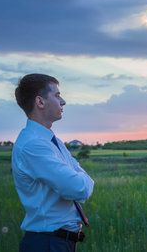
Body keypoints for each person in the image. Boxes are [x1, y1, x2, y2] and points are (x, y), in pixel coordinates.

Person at [12, 73, 94, 252]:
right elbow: (79, 188)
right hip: (47, 243)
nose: (63, 101)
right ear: (40, 102)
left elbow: (77, 176)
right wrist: (80, 175)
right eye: (57, 96)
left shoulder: (50, 140)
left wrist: (77, 174)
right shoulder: (33, 145)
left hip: (58, 242)